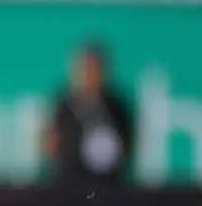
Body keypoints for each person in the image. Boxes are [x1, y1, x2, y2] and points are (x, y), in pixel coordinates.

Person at [44, 41, 135, 189]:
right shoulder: (64, 106)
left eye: (96, 69)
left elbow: (129, 142)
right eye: (87, 69)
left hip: (107, 186)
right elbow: (51, 142)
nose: (91, 75)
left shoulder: (115, 106)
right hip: (69, 185)